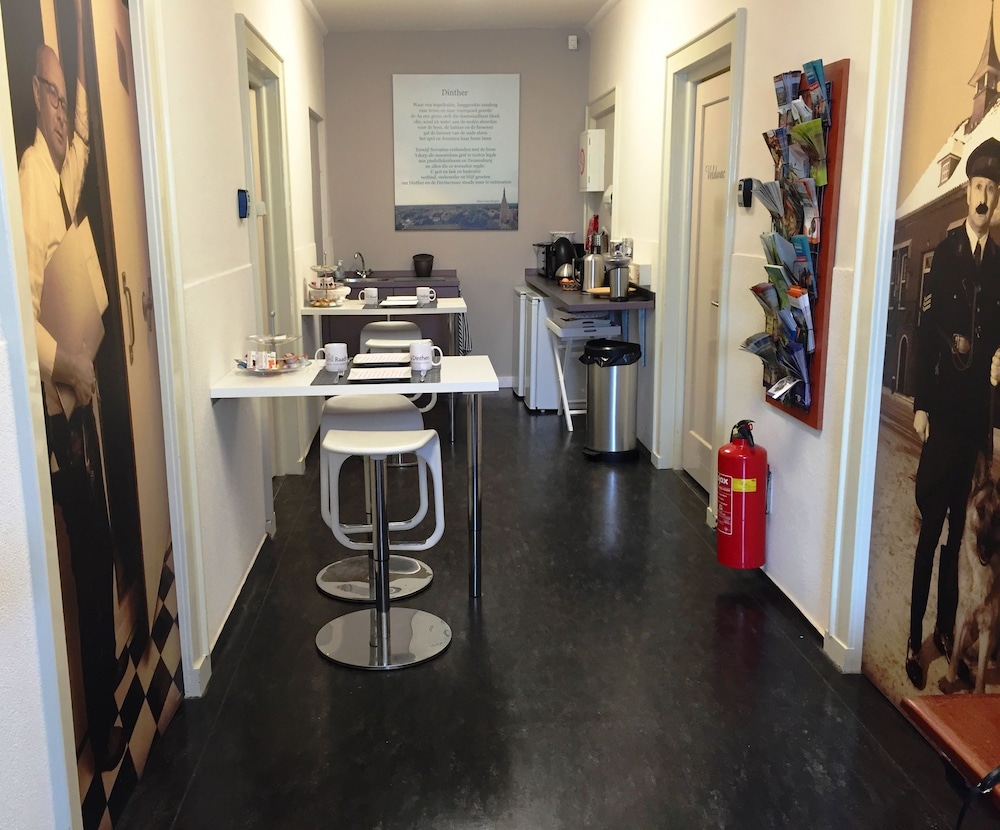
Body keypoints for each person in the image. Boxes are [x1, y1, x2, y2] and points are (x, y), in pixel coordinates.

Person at [17, 1, 125, 771]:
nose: (61, 113)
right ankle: (104, 722)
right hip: (52, 414)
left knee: (100, 551)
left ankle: (109, 700)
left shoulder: (60, 171)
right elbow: (18, 317)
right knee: (90, 559)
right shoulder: (27, 183)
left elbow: (82, 140)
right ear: (33, 98)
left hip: (78, 400)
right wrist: (70, 364)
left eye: (65, 99)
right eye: (51, 97)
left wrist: (83, 49)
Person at [907, 136, 1000, 690]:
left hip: (974, 423)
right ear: (966, 194)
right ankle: (913, 635)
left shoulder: (999, 263)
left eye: (992, 189)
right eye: (977, 187)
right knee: (930, 531)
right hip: (942, 413)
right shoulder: (945, 255)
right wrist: (920, 404)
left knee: (959, 537)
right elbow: (924, 333)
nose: (984, 198)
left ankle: (946, 630)